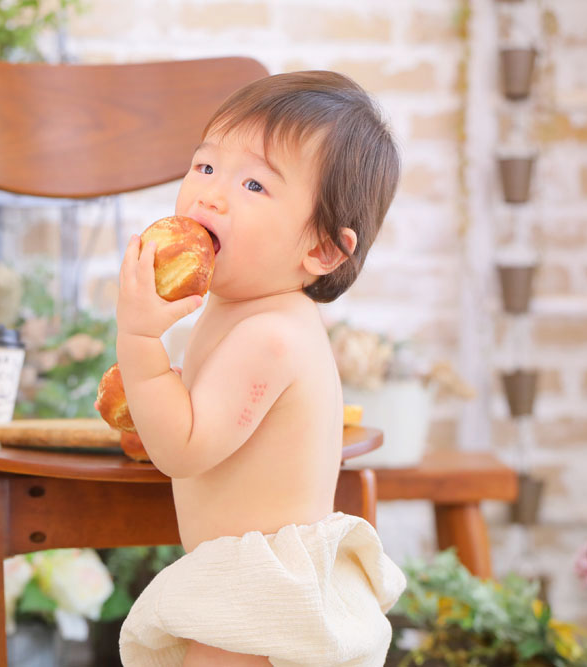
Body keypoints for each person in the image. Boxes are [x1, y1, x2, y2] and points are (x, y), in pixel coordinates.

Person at [115, 71, 408, 666]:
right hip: (249, 583)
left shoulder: (270, 336)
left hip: (261, 598)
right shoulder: (243, 310)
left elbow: (184, 448)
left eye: (253, 184)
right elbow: (216, 422)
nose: (211, 196)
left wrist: (139, 340)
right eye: (205, 166)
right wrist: (148, 401)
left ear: (321, 249)